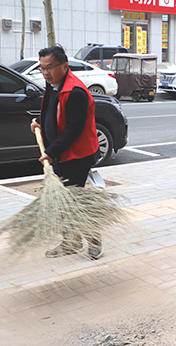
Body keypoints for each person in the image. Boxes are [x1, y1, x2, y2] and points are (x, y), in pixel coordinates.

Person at [29, 45, 102, 259]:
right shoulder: (53, 86)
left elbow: (74, 129)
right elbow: (52, 111)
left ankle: (93, 238)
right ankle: (71, 241)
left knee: (72, 201)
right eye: (42, 68)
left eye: (50, 67)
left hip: (77, 155)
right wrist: (39, 122)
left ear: (65, 66)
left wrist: (51, 151)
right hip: (61, 153)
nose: (45, 72)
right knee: (65, 202)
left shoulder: (75, 91)